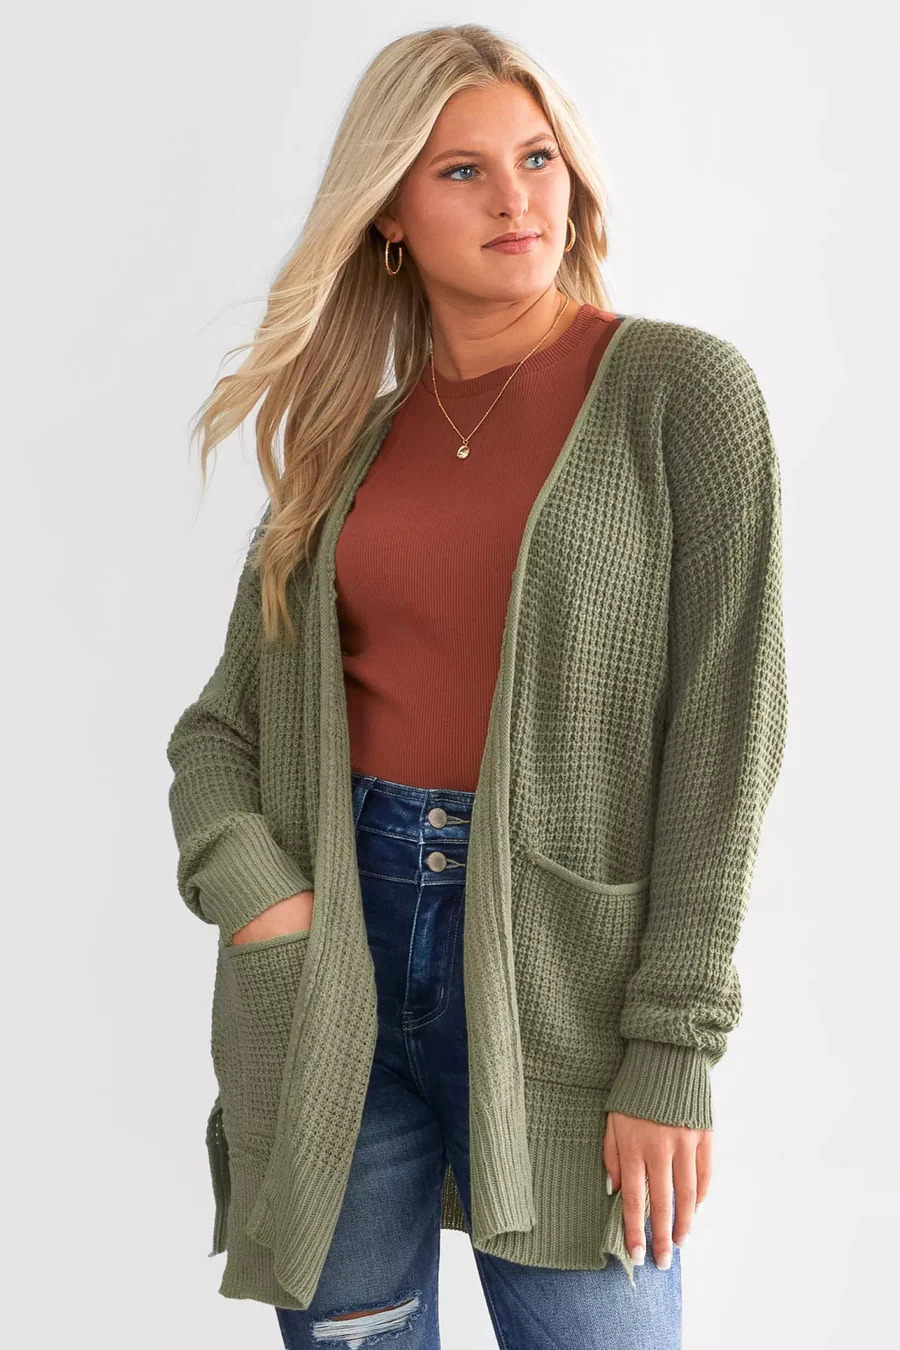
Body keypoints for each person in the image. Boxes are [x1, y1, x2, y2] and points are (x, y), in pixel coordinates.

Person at [165, 22, 787, 1350]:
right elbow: (219, 732)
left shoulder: (680, 395)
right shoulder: (346, 447)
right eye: (462, 171)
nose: (517, 198)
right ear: (387, 214)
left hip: (568, 984)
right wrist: (268, 902)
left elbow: (725, 748)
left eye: (538, 157)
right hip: (334, 967)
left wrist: (673, 1048)